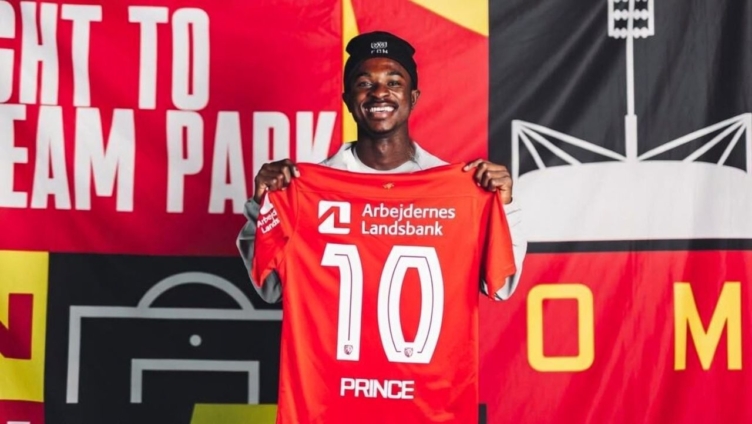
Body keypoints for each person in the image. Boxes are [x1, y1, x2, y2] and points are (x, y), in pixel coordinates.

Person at [237, 30, 527, 302]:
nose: (379, 92)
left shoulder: (457, 191)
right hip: (333, 344)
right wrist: (262, 208)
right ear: (348, 100)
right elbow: (270, 288)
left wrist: (504, 207)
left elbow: (500, 286)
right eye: (364, 83)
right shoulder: (307, 192)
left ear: (413, 97)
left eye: (394, 82)